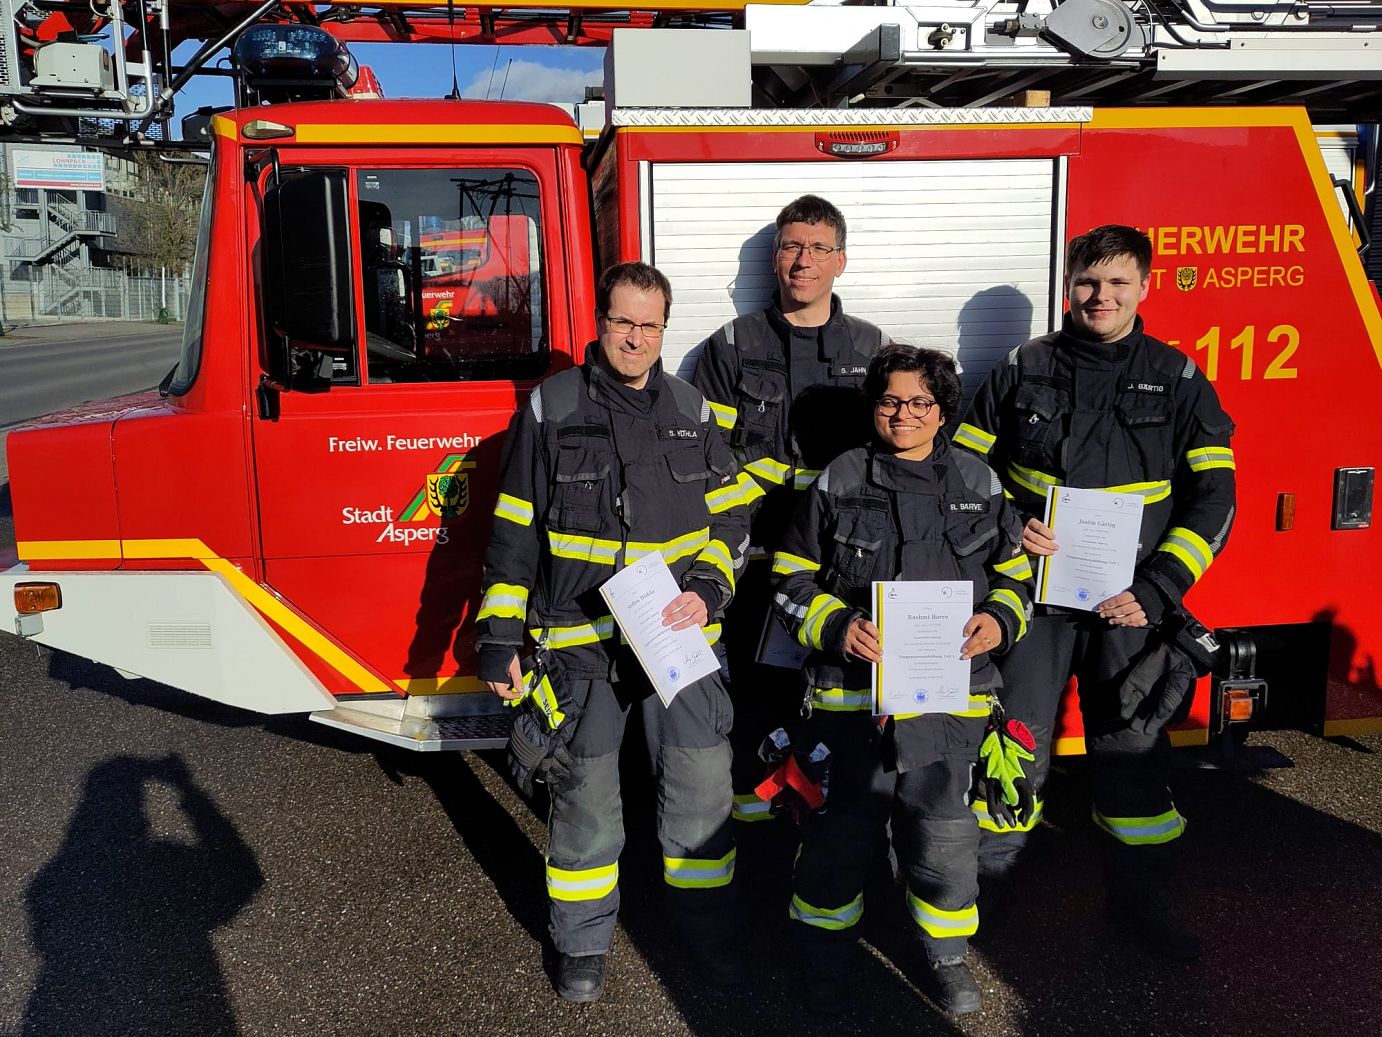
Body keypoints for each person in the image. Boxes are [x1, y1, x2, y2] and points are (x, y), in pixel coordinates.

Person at [474, 261, 760, 1002]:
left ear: (665, 329)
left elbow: (733, 514)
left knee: (702, 792)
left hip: (676, 638)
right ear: (599, 321)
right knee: (585, 801)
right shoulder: (552, 406)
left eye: (649, 325)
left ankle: (708, 932)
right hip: (581, 644)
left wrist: (708, 590)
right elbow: (514, 529)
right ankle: (581, 942)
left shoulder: (693, 408)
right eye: (622, 321)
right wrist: (500, 636)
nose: (635, 338)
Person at [952, 224, 1236, 961]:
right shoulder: (1025, 366)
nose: (1100, 295)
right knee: (1012, 747)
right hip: (1035, 600)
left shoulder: (1177, 376)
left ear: (1145, 287)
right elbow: (965, 469)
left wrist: (1161, 586)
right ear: (1068, 284)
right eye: (1087, 280)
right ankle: (990, 898)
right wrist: (1009, 522)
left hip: (1130, 605)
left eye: (1116, 282)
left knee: (1132, 749)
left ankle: (1142, 904)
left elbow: (1216, 496)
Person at [771, 343, 1033, 1015]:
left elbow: (1016, 578)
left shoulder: (980, 483)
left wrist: (999, 621)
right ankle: (823, 956)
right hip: (849, 703)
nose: (903, 414)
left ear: (944, 410)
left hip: (951, 703)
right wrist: (837, 626)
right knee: (837, 840)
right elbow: (789, 577)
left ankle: (946, 956)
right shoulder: (839, 478)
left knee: (945, 838)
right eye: (890, 400)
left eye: (920, 401)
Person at [692, 194, 889, 827]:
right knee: (757, 690)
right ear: (775, 258)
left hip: (844, 560)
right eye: (791, 247)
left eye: (819, 248)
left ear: (841, 261)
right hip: (758, 553)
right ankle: (757, 817)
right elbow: (707, 457)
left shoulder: (872, 348)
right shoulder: (733, 345)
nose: (804, 260)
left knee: (841, 691)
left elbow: (898, 453)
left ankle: (835, 812)